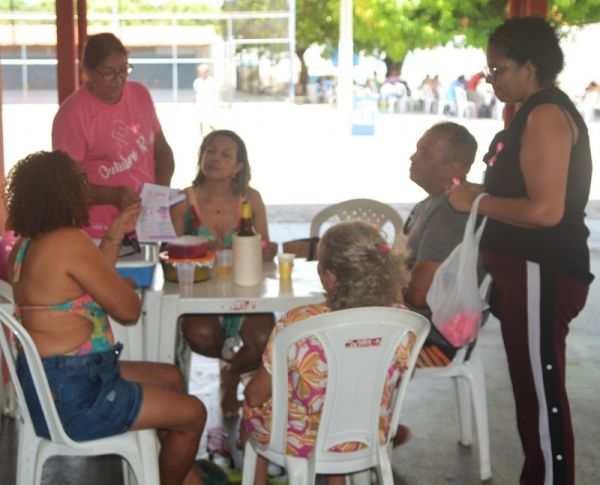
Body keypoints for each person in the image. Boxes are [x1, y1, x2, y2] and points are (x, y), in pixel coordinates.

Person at [447, 17, 593, 485]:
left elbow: (546, 211)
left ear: (531, 65)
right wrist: (479, 194)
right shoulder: (531, 112)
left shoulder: (545, 115)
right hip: (528, 272)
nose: (492, 80)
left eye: (499, 69)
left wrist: (477, 201)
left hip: (541, 269)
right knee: (532, 393)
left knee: (542, 396)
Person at [5, 150, 206, 485]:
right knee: (193, 414)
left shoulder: (25, 247)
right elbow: (128, 311)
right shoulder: (69, 241)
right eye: (80, 182)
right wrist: (124, 288)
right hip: (78, 398)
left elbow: (83, 279)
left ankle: (180, 475)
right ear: (66, 191)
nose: (86, 188)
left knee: (171, 377)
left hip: (47, 387)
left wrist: (115, 232)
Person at [240, 221, 414, 485]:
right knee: (336, 399)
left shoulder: (299, 324)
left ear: (330, 276)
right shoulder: (401, 322)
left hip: (302, 440)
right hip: (368, 433)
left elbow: (256, 395)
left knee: (253, 407)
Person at [170, 129, 277, 418]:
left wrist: (267, 251)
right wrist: (198, 249)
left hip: (245, 288)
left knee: (264, 340)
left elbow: (264, 246)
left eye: (225, 154)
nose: (214, 158)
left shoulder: (250, 199)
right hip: (199, 292)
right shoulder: (183, 200)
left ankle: (231, 375)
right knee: (201, 336)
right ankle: (232, 366)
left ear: (239, 166)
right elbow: (170, 252)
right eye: (210, 151)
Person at [52, 32, 175, 240]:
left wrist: (158, 193)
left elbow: (162, 152)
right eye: (108, 73)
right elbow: (67, 184)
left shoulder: (140, 94)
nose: (118, 79)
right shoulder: (72, 114)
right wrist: (112, 194)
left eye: (124, 70)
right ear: (87, 71)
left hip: (145, 226)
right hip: (98, 232)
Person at [403, 121, 479, 367]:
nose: (413, 158)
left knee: (321, 343)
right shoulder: (430, 204)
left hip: (430, 342)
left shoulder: (450, 212)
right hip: (409, 326)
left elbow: (419, 295)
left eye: (424, 153)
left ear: (454, 167)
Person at [193, 64, 219, 139]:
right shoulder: (197, 81)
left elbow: (215, 93)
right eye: (200, 72)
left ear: (207, 72)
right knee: (200, 121)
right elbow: (195, 92)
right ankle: (202, 137)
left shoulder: (212, 81)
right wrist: (194, 103)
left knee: (210, 122)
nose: (201, 74)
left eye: (203, 72)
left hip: (209, 104)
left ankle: (217, 134)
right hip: (200, 104)